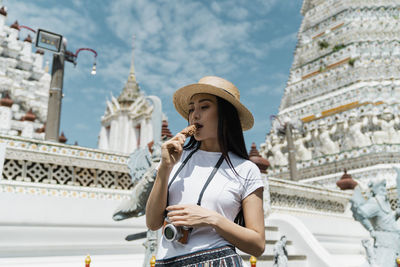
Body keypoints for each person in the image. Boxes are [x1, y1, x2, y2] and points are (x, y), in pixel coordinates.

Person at [146, 76, 266, 266]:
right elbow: (152, 223)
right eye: (192, 108)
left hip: (218, 260)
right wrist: (165, 168)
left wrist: (212, 219)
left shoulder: (246, 169)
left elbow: (258, 245)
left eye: (204, 107)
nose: (194, 114)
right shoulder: (174, 158)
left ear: (225, 115)